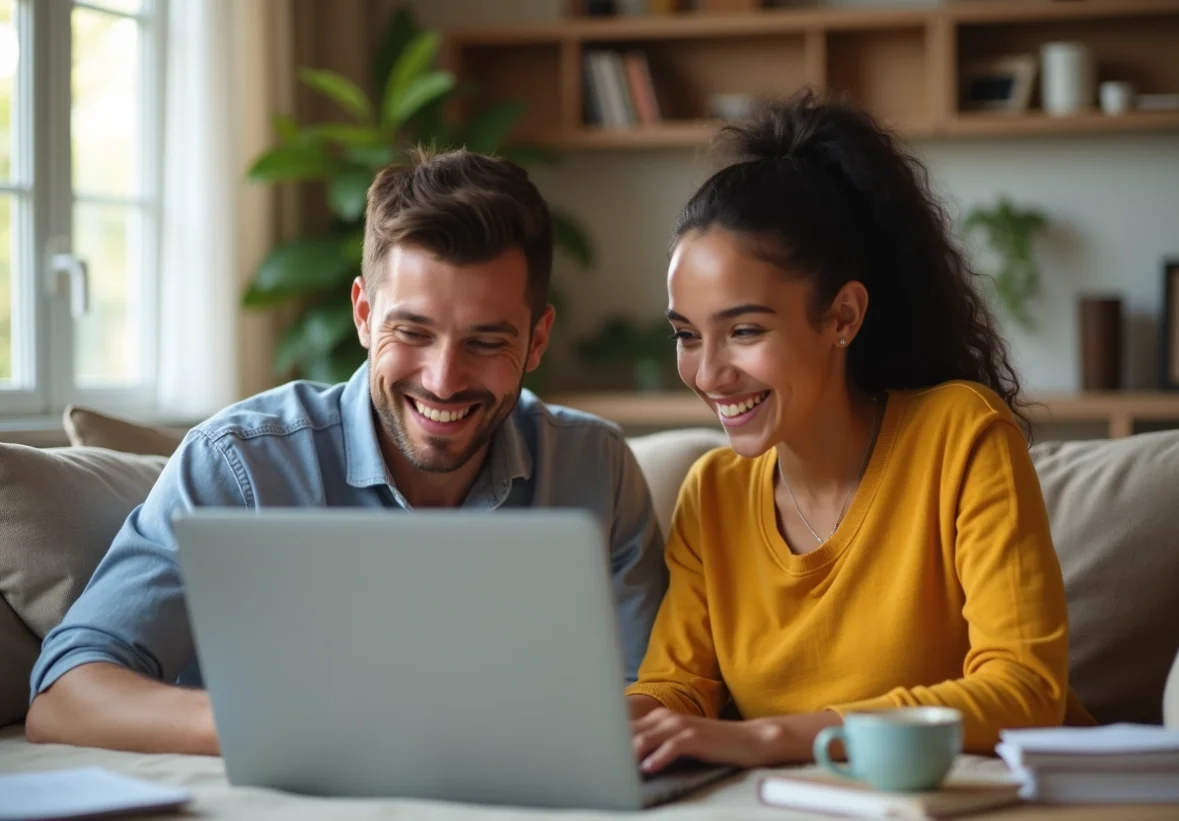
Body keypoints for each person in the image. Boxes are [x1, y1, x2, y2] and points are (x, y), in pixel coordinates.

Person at [26, 149, 667, 755]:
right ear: (363, 314)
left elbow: (650, 695)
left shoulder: (596, 470)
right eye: (411, 332)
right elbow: (64, 696)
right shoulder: (239, 464)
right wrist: (279, 725)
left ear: (536, 340)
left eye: (485, 341)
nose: (443, 380)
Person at [624, 91, 1092, 775]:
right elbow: (676, 687)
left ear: (842, 315)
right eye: (687, 336)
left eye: (745, 330)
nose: (709, 372)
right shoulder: (714, 493)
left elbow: (1024, 689)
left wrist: (767, 737)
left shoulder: (960, 436)